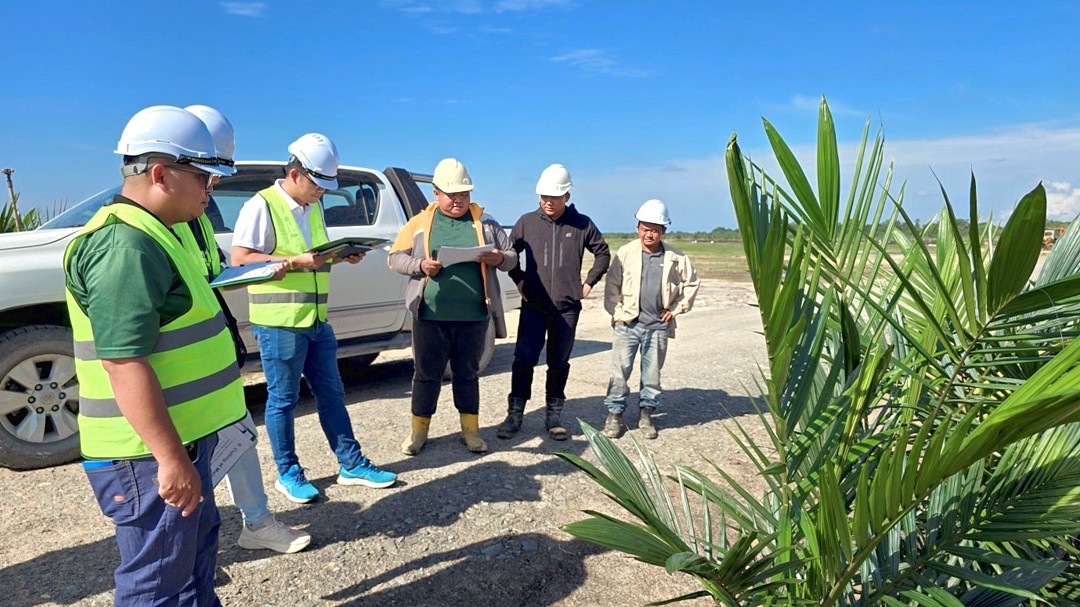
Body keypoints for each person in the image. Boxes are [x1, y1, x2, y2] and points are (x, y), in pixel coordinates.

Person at [64, 105, 245, 604]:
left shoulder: (160, 232)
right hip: (147, 454)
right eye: (204, 177)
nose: (211, 191)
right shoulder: (126, 246)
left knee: (191, 565)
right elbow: (124, 363)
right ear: (161, 173)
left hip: (178, 441)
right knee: (158, 583)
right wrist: (170, 458)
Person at [230, 133, 397, 504]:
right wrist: (291, 262)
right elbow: (240, 260)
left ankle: (351, 464)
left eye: (326, 185)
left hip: (317, 321)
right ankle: (287, 472)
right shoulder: (262, 206)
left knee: (333, 393)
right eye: (317, 184)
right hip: (279, 323)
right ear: (294, 172)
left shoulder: (313, 207)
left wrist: (342, 255)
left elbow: (315, 257)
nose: (321, 191)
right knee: (283, 400)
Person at [175, 105, 311, 554]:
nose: (212, 189)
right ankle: (195, 546)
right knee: (195, 453)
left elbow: (213, 271)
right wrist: (272, 264)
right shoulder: (148, 227)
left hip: (214, 344)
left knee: (236, 432)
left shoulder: (192, 218)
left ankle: (253, 521)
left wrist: (266, 269)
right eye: (207, 177)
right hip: (182, 362)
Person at [389, 158, 517, 455]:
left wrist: (498, 258)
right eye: (452, 195)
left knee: (467, 374)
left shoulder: (486, 223)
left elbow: (511, 257)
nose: (459, 200)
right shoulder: (420, 223)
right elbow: (394, 258)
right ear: (436, 193)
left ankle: (470, 432)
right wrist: (420, 265)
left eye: (464, 194)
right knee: (426, 374)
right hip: (430, 315)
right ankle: (418, 433)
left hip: (473, 316)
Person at [497, 164, 610, 441]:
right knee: (523, 360)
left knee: (558, 362)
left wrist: (588, 283)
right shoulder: (526, 222)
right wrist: (520, 282)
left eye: (554, 197)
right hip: (534, 307)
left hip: (567, 309)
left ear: (567, 196)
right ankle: (515, 414)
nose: (548, 201)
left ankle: (553, 415)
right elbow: (509, 255)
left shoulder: (582, 224)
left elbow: (603, 254)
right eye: (544, 196)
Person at [602, 199, 699, 439]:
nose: (649, 234)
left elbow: (692, 283)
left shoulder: (676, 257)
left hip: (657, 326)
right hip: (628, 325)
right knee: (619, 374)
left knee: (652, 376)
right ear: (637, 228)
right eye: (645, 228)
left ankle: (646, 416)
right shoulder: (625, 253)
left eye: (655, 229)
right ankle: (614, 416)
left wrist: (676, 309)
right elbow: (611, 287)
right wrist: (617, 315)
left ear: (664, 231)